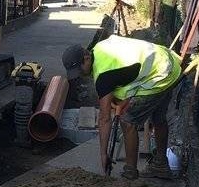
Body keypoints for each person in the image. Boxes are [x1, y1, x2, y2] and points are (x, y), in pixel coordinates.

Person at [62, 35, 181, 179]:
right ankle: (160, 165)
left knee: (127, 121)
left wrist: (103, 154)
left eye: (80, 70)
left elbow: (105, 119)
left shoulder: (104, 75)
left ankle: (130, 172)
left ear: (86, 58)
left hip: (160, 75)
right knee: (158, 118)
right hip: (166, 62)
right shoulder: (99, 49)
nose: (80, 75)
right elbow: (124, 73)